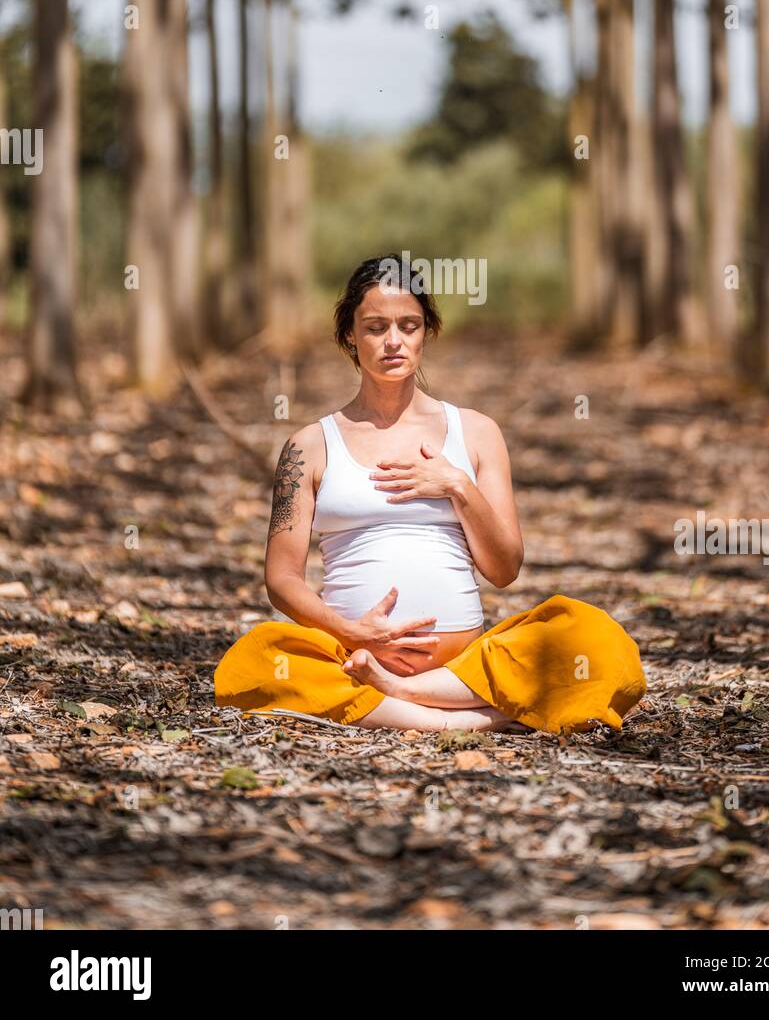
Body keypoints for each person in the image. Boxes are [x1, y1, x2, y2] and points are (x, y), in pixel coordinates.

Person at [214, 253, 648, 733]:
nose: (393, 341)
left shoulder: (477, 433)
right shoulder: (308, 446)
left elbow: (504, 570)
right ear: (350, 337)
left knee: (594, 639)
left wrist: (456, 485)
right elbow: (281, 579)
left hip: (465, 666)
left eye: (409, 325)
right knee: (259, 658)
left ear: (428, 332)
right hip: (352, 656)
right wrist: (351, 631)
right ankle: (479, 719)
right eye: (376, 327)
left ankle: (406, 699)